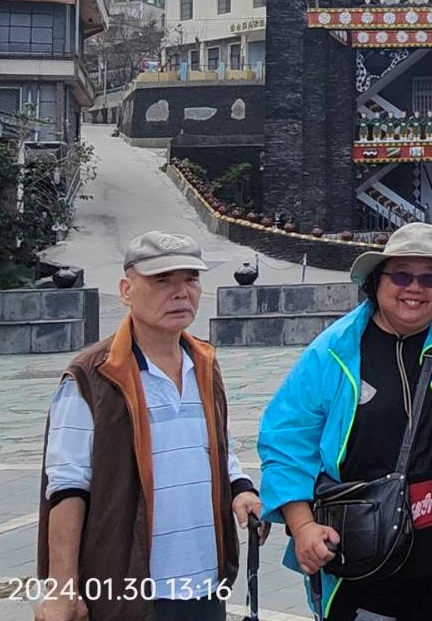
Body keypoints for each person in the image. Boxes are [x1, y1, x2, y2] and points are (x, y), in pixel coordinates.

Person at [257, 222, 432, 621]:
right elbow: (286, 440)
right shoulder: (333, 352)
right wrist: (302, 526)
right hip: (359, 555)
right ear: (377, 281)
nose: (414, 288)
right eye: (401, 275)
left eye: (430, 278)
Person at [37, 231, 265, 621]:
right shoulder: (91, 377)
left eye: (190, 279)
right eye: (162, 281)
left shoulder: (205, 364)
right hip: (128, 592)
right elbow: (66, 487)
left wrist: (240, 489)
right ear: (127, 289)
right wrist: (62, 592)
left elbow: (218, 450)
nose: (180, 292)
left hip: (205, 584)